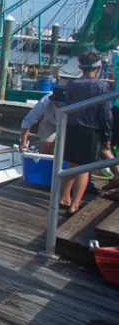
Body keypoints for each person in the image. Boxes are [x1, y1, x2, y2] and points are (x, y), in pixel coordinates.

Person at [61, 51, 112, 214]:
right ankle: (75, 204)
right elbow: (105, 114)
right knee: (84, 168)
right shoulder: (102, 87)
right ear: (98, 67)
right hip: (90, 129)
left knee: (71, 165)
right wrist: (107, 136)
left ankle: (64, 198)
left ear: (79, 67)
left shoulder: (71, 84)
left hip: (70, 127)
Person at [19, 85, 66, 154]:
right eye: (57, 101)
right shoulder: (45, 101)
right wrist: (23, 142)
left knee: (67, 151)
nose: (59, 104)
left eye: (63, 102)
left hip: (69, 124)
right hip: (50, 122)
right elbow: (28, 121)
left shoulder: (76, 103)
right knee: (46, 148)